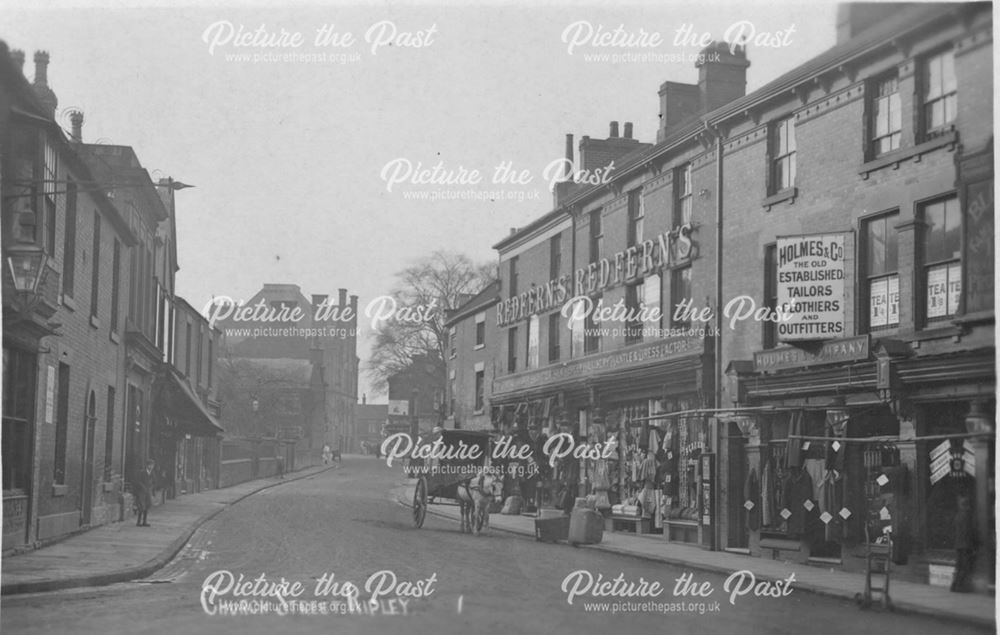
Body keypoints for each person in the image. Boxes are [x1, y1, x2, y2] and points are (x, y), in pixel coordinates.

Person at [951, 495, 978, 592]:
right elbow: (970, 532)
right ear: (966, 505)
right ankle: (960, 587)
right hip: (966, 546)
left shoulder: (958, 515)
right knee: (964, 567)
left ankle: (954, 586)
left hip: (958, 545)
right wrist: (974, 546)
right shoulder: (967, 516)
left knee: (959, 567)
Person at [134, 459, 155, 527]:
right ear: (147, 465)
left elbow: (154, 481)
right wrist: (143, 487)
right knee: (141, 506)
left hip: (148, 492)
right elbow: (138, 481)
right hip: (141, 492)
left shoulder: (152, 473)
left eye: (152, 465)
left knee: (147, 506)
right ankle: (138, 522)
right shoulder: (142, 472)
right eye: (150, 465)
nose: (151, 467)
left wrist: (151, 488)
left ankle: (144, 521)